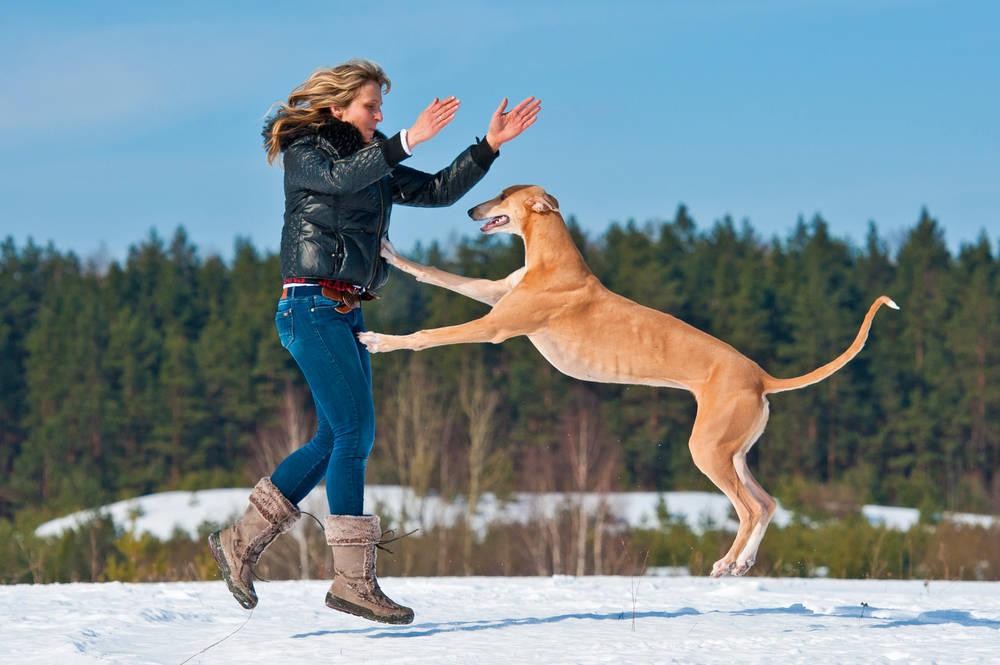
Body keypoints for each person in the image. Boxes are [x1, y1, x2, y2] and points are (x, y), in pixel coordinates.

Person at [208, 59, 540, 624]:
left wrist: (488, 145)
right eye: (371, 106)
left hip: (344, 311)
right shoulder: (306, 150)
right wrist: (409, 138)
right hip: (310, 306)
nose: (380, 115)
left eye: (382, 108)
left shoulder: (373, 159)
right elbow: (342, 179)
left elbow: (434, 191)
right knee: (355, 432)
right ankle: (351, 580)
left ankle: (241, 541)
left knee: (334, 436)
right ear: (337, 108)